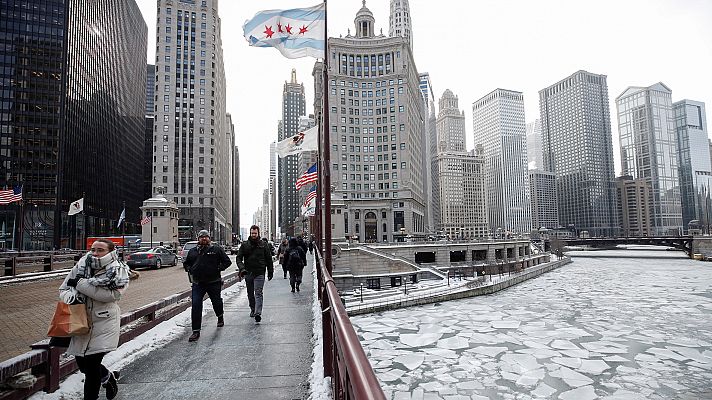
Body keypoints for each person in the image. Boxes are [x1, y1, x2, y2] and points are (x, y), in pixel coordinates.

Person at [58, 239, 130, 400]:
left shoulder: (118, 270)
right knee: (83, 365)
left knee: (91, 366)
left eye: (100, 250)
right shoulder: (81, 265)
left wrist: (81, 285)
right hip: (80, 321)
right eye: (93, 249)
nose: (95, 253)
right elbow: (63, 289)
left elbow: (112, 295)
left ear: (110, 251)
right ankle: (108, 377)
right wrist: (71, 297)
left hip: (104, 322)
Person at [183, 230, 232, 342]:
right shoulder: (192, 252)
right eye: (201, 237)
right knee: (196, 305)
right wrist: (189, 269)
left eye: (206, 237)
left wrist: (218, 268)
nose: (204, 239)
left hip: (213, 282)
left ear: (209, 238)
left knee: (217, 302)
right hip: (198, 283)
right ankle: (196, 331)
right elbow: (186, 264)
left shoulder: (216, 249)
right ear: (198, 239)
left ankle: (220, 316)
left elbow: (227, 262)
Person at [236, 225, 274, 323]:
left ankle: (258, 313)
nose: (253, 235)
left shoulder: (263, 244)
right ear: (250, 233)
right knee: (250, 293)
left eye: (255, 233)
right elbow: (238, 258)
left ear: (258, 233)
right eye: (252, 233)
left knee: (258, 292)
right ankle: (253, 308)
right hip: (248, 272)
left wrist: (270, 271)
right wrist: (242, 268)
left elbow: (269, 259)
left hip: (260, 272)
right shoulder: (245, 245)